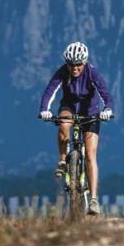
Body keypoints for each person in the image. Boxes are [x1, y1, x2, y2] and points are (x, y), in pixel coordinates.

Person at [39, 41, 114, 215]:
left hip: (91, 112)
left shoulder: (92, 73)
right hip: (69, 108)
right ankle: (63, 159)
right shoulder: (62, 72)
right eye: (71, 64)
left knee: (90, 154)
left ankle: (94, 199)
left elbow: (105, 94)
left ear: (85, 62)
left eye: (78, 64)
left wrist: (107, 110)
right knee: (64, 123)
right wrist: (44, 110)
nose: (74, 68)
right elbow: (50, 91)